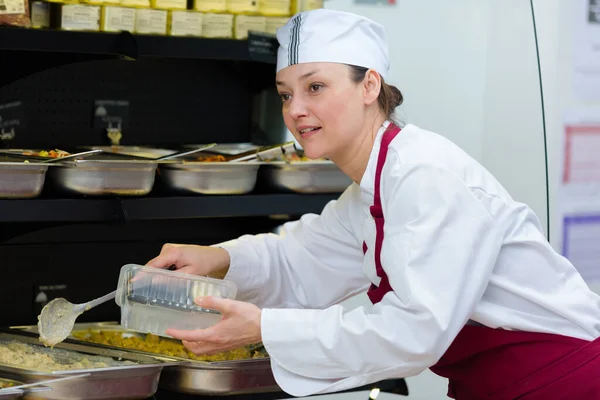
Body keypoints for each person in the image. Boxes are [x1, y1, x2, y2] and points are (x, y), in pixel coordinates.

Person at [147, 8, 600, 400]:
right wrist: (218, 258)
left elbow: (414, 332)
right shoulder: (372, 186)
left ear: (369, 86)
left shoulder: (426, 177)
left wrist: (266, 329)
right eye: (286, 94)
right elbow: (299, 262)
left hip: (564, 381)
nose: (295, 110)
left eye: (316, 87)